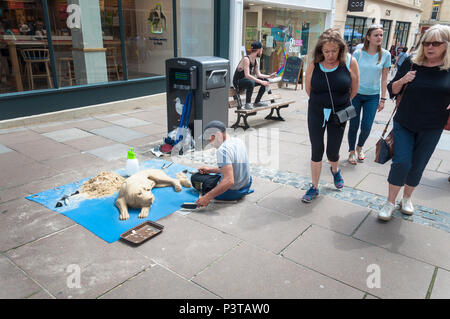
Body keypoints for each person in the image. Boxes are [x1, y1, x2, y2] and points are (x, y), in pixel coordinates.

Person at [377, 24, 450, 221]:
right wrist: (403, 81)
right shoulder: (411, 62)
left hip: (432, 127)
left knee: (418, 165)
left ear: (446, 46)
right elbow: (392, 89)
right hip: (405, 122)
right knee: (401, 163)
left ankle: (407, 198)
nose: (430, 47)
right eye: (426, 43)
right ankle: (390, 202)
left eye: (436, 43)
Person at [302, 29, 359, 203]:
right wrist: (321, 103)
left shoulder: (350, 62)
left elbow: (354, 88)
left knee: (332, 151)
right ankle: (314, 186)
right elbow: (308, 88)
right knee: (317, 149)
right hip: (316, 112)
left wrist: (340, 103)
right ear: (321, 50)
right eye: (326, 51)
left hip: (339, 113)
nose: (330, 55)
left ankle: (335, 170)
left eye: (334, 51)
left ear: (341, 50)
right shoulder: (314, 63)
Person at [347, 24, 391, 164]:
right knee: (353, 125)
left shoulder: (386, 55)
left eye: (381, 35)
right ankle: (351, 151)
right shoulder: (358, 53)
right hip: (356, 95)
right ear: (368, 37)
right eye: (376, 35)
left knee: (367, 126)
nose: (379, 37)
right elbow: (350, 75)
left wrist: (383, 99)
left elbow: (385, 78)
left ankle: (360, 147)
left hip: (373, 96)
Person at [193, 120, 254, 207]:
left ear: (218, 134)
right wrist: (210, 170)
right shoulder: (238, 141)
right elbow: (234, 167)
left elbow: (229, 181)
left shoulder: (222, 150)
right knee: (212, 176)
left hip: (232, 192)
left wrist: (207, 197)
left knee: (195, 178)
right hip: (246, 185)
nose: (209, 142)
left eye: (210, 139)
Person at [232, 41, 276, 110]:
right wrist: (261, 82)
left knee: (265, 81)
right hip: (238, 82)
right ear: (258, 50)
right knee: (251, 82)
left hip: (247, 81)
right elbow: (247, 75)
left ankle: (257, 102)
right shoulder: (246, 59)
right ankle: (248, 103)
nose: (262, 52)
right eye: (261, 50)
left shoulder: (255, 61)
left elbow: (259, 74)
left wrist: (269, 76)